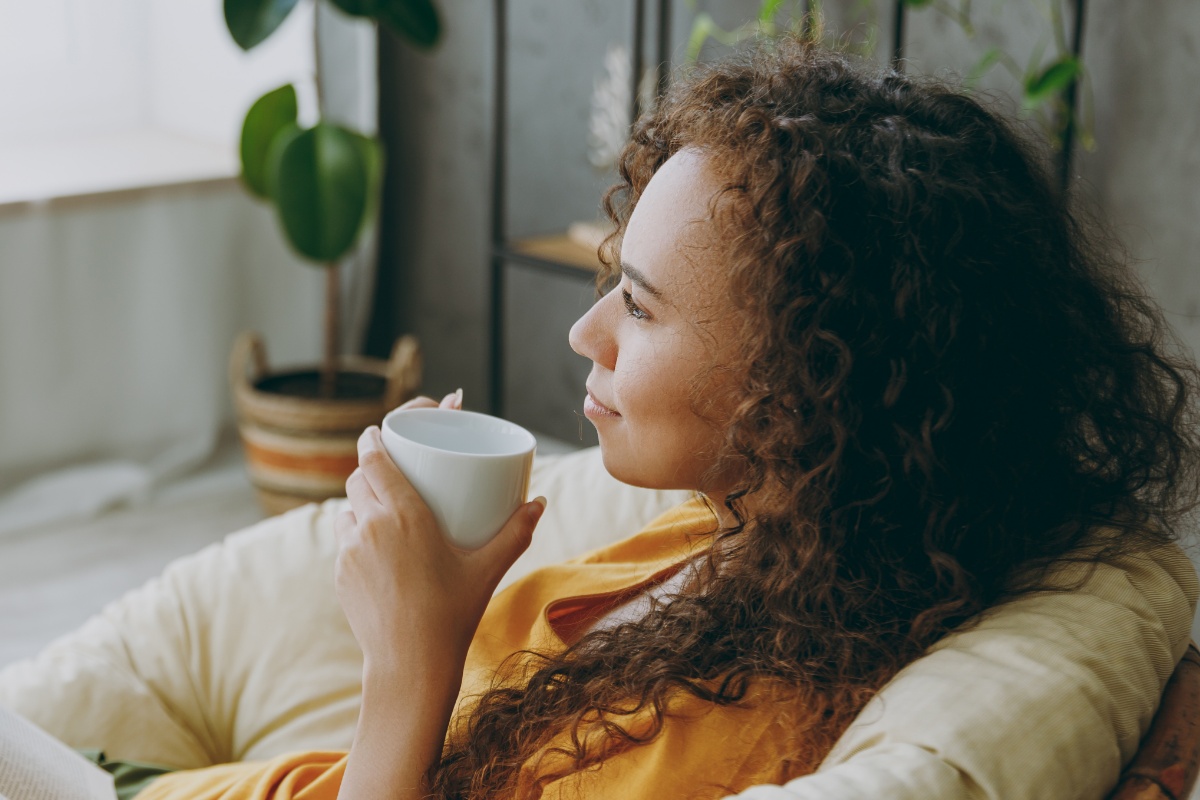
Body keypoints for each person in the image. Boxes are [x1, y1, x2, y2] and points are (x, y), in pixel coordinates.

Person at [132, 36, 1200, 800]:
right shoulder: (758, 533)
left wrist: (407, 658)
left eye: (638, 306)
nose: (583, 334)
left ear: (808, 382)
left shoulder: (745, 727)